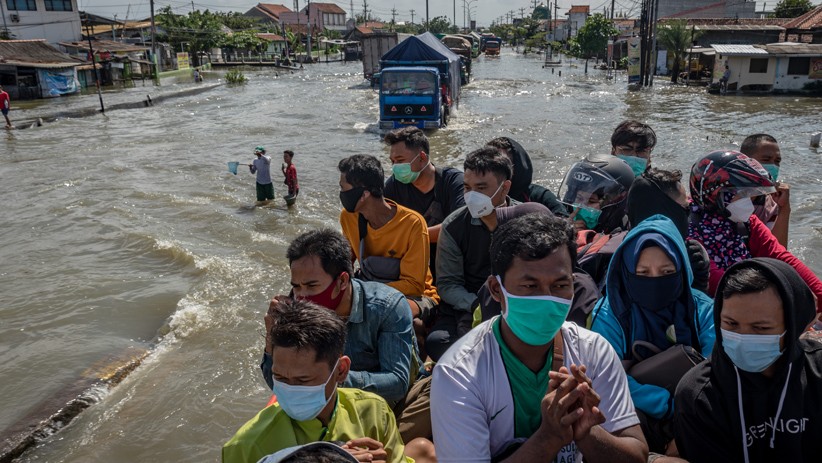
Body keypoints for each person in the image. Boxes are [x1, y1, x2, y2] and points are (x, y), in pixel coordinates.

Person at [431, 213, 648, 463]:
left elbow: (637, 455)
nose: (547, 298)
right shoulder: (458, 373)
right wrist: (549, 437)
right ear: (496, 290)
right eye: (530, 286)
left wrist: (587, 431)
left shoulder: (593, 350)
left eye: (559, 285)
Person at [224, 299, 413, 463]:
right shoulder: (245, 445)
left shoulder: (374, 412)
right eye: (279, 377)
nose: (290, 389)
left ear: (341, 370)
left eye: (303, 379)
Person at [589, 215, 715, 456]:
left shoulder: (701, 308)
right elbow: (606, 375)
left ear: (682, 269)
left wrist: (688, 413)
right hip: (637, 412)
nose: (655, 280)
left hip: (696, 411)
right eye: (643, 273)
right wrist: (666, 404)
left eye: (667, 271)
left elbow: (718, 367)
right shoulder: (610, 314)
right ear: (626, 270)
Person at [674, 258, 822, 462]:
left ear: (793, 326)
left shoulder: (818, 372)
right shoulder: (699, 396)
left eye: (761, 328)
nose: (743, 337)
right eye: (731, 324)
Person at [260, 229, 418, 405]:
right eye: (296, 287)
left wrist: (332, 377)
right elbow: (277, 383)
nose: (302, 296)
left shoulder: (388, 308)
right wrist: (271, 339)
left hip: (378, 404)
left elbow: (397, 383)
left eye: (312, 286)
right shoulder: (295, 310)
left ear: (342, 281)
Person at [687, 150, 822, 310]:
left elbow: (781, 258)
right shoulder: (687, 229)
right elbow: (718, 282)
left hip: (754, 300)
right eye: (742, 194)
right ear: (715, 194)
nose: (749, 202)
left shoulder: (746, 223)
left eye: (751, 194)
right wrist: (787, 302)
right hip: (715, 312)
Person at [429, 147, 520, 361]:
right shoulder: (453, 226)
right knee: (438, 343)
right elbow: (449, 284)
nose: (472, 196)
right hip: (469, 303)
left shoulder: (525, 219)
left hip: (519, 301)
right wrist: (479, 305)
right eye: (467, 188)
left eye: (481, 188)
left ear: (504, 187)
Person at [337, 155, 440, 322]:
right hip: (368, 289)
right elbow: (345, 261)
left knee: (393, 317)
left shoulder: (412, 223)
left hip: (416, 296)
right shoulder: (348, 217)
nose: (341, 194)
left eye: (343, 189)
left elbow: (414, 285)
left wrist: (365, 293)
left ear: (363, 195)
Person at [383, 127, 465, 280]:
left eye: (400, 161)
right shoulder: (394, 185)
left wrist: (413, 237)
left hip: (450, 265)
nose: (395, 167)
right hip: (411, 265)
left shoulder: (454, 182)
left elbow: (459, 225)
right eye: (392, 162)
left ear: (422, 158)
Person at [626, 168, 711, 293]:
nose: (688, 216)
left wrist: (700, 284)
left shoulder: (617, 249)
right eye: (685, 208)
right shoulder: (615, 257)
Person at [486, 137, 566, 216]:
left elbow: (564, 220)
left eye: (500, 165)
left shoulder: (540, 196)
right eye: (488, 164)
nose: (492, 171)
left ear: (516, 166)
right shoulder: (477, 196)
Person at [557, 154, 634, 234]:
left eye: (591, 201)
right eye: (579, 198)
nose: (580, 207)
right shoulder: (563, 230)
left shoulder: (624, 235)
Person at [740, 133, 790, 247]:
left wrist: (784, 209)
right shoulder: (721, 195)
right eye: (766, 159)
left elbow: (778, 252)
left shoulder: (772, 204)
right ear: (745, 161)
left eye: (777, 161)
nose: (773, 166)